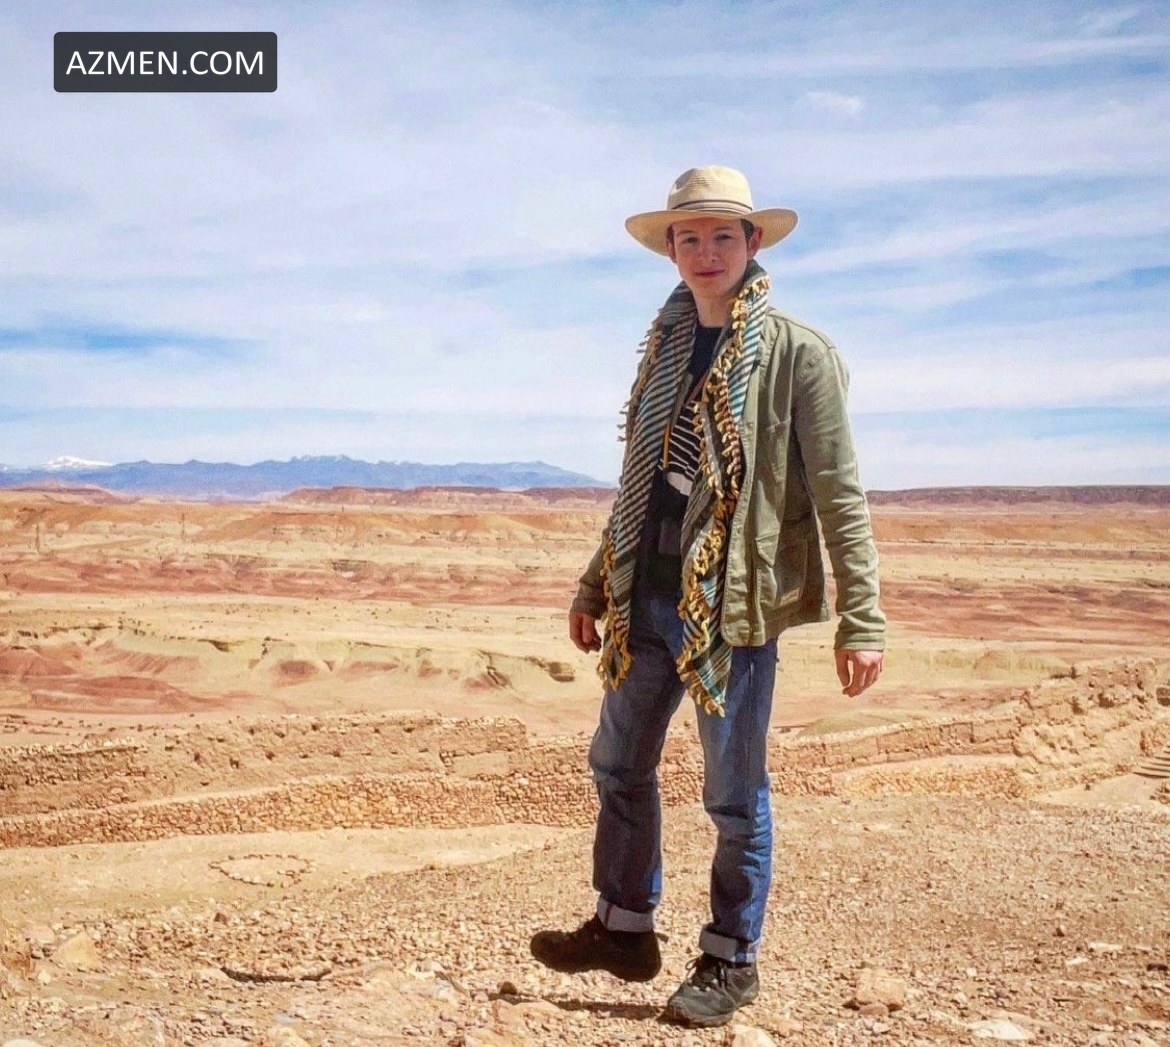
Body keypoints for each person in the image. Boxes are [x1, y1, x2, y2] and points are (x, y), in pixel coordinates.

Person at [529, 166, 886, 1028]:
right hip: (644, 596)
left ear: (753, 242)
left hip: (733, 612)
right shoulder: (666, 345)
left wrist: (862, 616)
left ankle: (731, 958)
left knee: (733, 793)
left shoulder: (798, 353)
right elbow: (640, 484)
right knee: (618, 763)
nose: (705, 252)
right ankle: (624, 927)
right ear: (670, 250)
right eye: (688, 237)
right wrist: (594, 581)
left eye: (723, 234)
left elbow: (839, 492)